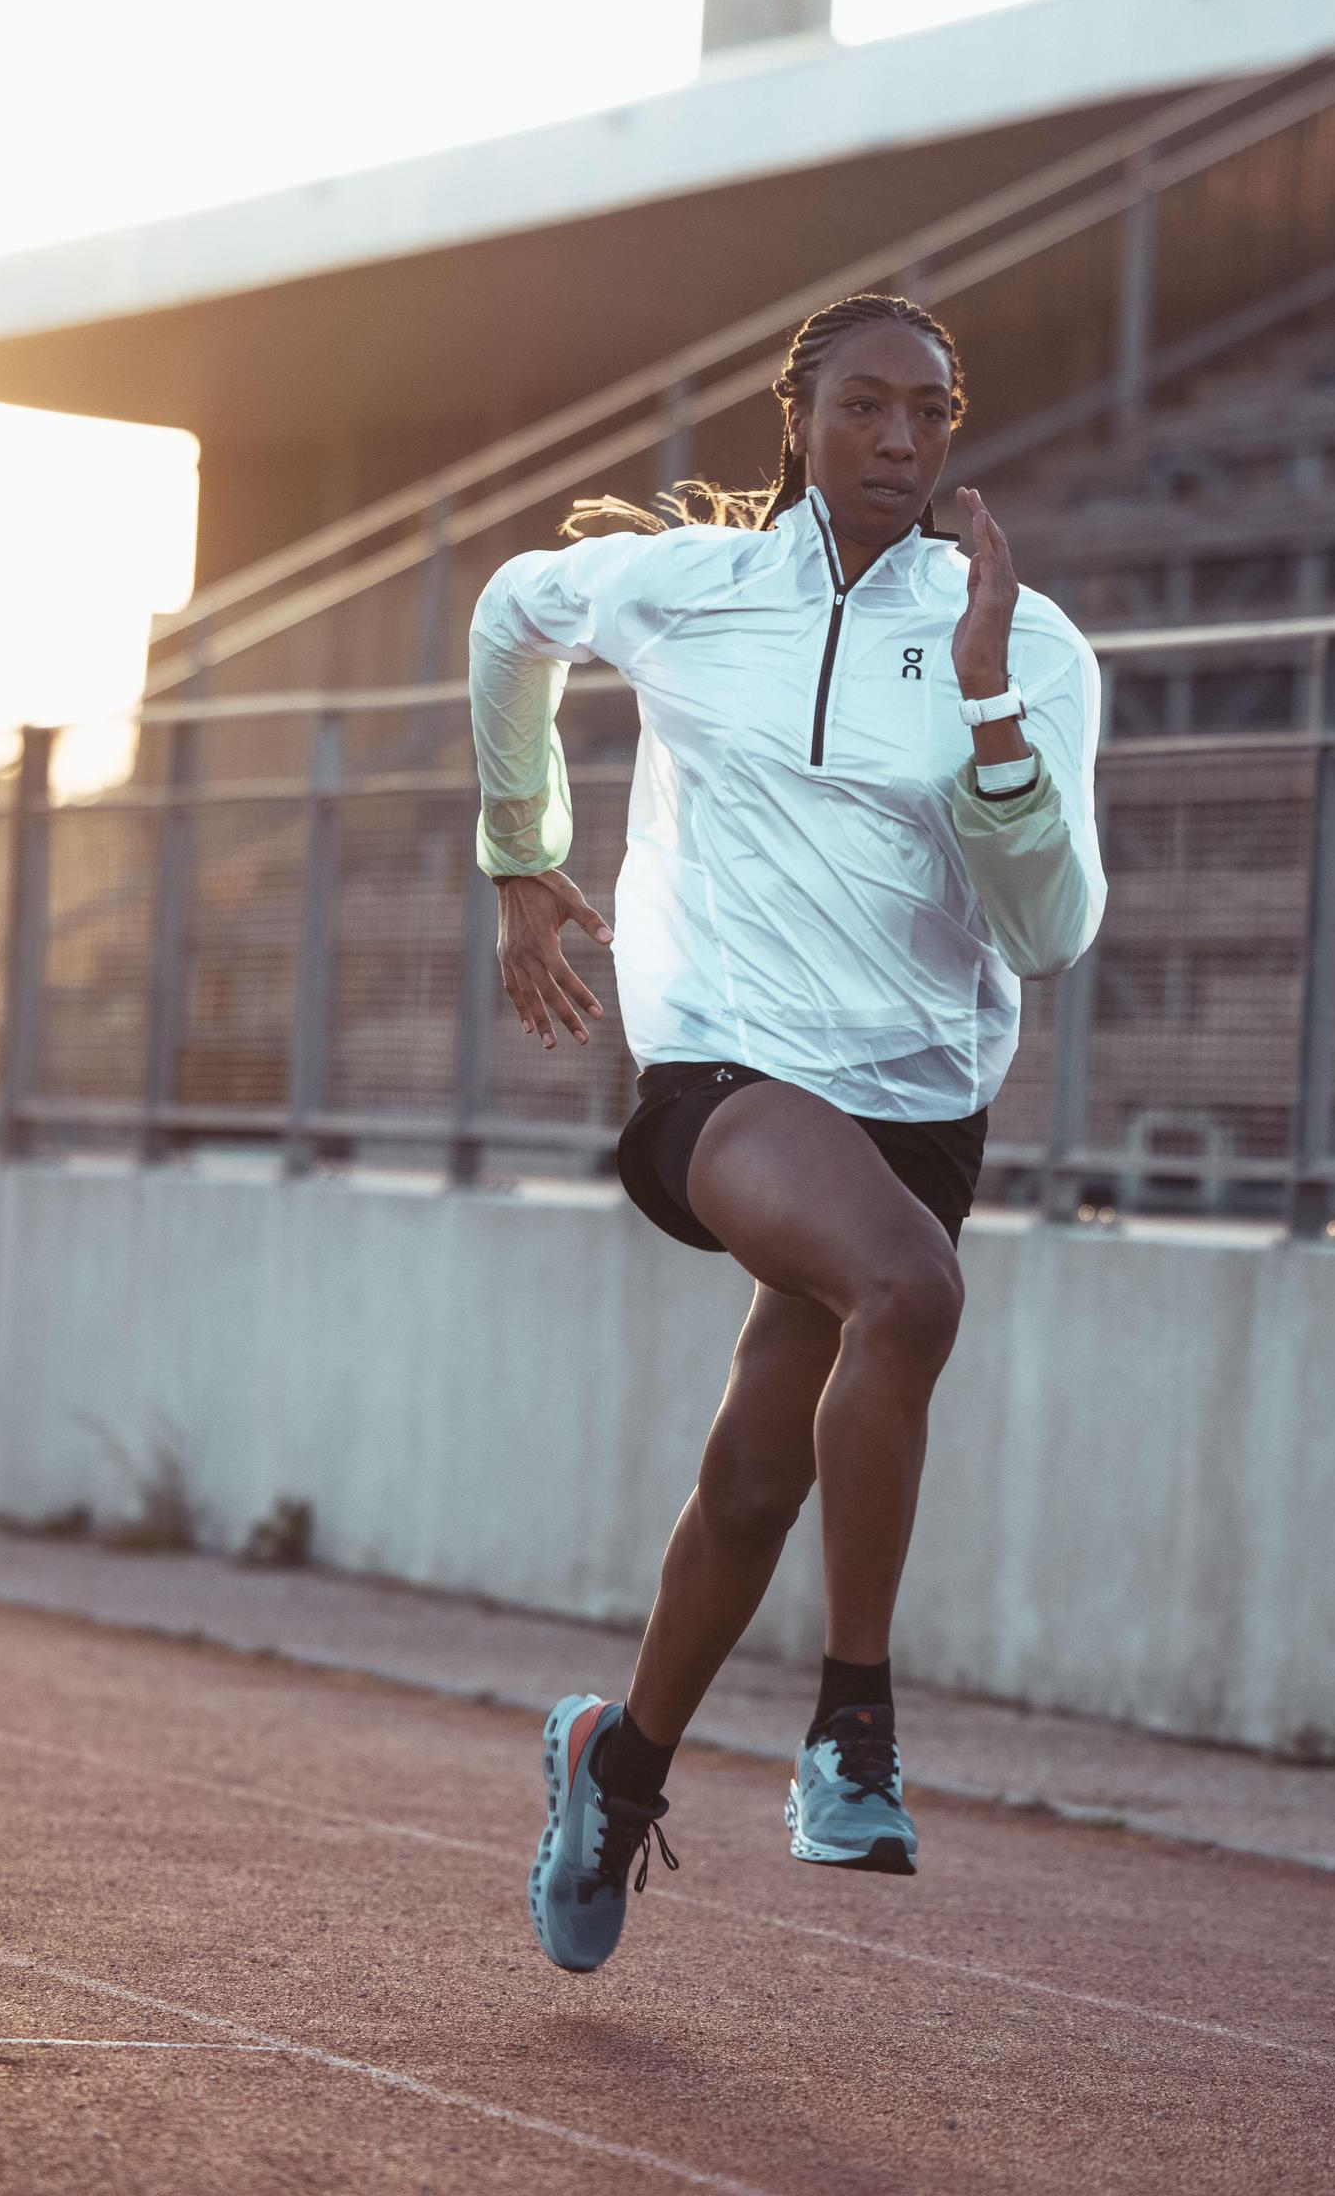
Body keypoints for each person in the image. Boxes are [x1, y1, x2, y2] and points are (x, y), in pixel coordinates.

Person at [468, 293, 1108, 1975]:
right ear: (796, 420)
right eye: (863, 410)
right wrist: (517, 850)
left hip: (918, 1100)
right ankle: (852, 1733)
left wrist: (979, 705)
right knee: (908, 1295)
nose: (898, 442)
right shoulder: (689, 592)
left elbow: (1048, 929)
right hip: (723, 1068)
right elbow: (506, 614)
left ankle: (619, 1762)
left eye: (929, 413)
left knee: (757, 1476)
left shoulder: (1026, 643)